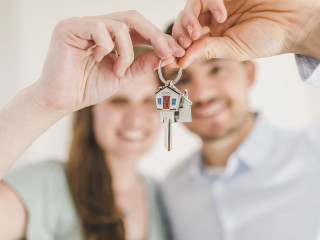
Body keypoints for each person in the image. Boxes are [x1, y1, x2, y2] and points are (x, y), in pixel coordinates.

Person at [0, 11, 185, 240]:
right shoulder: (48, 185)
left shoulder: (161, 196)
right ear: (91, 111)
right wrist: (44, 101)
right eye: (119, 101)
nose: (135, 119)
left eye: (149, 101)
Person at [160, 23, 320, 240]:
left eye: (216, 69)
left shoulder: (314, 150)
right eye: (182, 79)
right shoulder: (170, 190)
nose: (201, 94)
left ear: (249, 73)